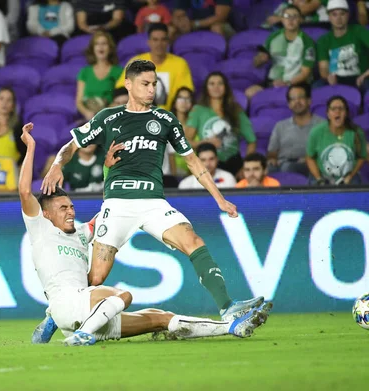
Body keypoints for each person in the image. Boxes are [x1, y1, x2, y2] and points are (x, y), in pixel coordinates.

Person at [36, 60, 267, 344]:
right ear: (129, 85)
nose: (151, 89)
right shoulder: (108, 118)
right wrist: (57, 164)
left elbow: (192, 160)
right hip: (118, 205)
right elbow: (72, 145)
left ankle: (227, 307)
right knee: (96, 278)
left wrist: (220, 198)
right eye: (145, 83)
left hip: (154, 202)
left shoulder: (166, 120)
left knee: (193, 241)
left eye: (154, 83)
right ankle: (53, 315)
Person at [185, 72, 257, 177]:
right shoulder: (198, 110)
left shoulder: (236, 110)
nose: (216, 87)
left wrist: (245, 167)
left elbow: (252, 141)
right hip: (207, 163)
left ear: (226, 87)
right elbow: (185, 142)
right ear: (206, 88)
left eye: (220, 83)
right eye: (212, 84)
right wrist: (205, 142)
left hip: (234, 164)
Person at [116, 23, 194, 112]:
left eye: (163, 40)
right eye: (155, 40)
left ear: (168, 42)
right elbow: (122, 90)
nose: (159, 44)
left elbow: (185, 93)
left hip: (171, 115)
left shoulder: (180, 63)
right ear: (149, 42)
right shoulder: (136, 62)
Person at [245, 4, 316, 99]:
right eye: (287, 16)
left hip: (297, 84)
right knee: (249, 93)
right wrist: (260, 59)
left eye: (294, 16)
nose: (290, 20)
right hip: (273, 81)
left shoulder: (307, 42)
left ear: (300, 20)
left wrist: (287, 83)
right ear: (282, 19)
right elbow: (256, 63)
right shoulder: (273, 37)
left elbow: (305, 73)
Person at [306, 95, 367, 185]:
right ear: (328, 114)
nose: (337, 112)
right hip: (323, 176)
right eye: (333, 109)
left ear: (346, 113)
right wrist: (319, 179)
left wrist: (350, 176)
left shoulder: (357, 132)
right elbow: (309, 157)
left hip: (348, 175)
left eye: (341, 109)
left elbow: (362, 157)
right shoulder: (316, 132)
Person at [267, 83, 324, 176]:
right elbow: (272, 152)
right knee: (266, 170)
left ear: (309, 101)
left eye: (301, 97)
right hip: (282, 163)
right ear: (289, 104)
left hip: (309, 165)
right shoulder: (280, 126)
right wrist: (272, 159)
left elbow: (326, 152)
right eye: (293, 99)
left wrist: (309, 158)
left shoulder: (322, 125)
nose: (297, 101)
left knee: (288, 168)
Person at [316, 0, 369, 94]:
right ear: (329, 17)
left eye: (342, 14)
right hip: (336, 78)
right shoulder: (323, 40)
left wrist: (366, 74)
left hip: (360, 78)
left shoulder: (359, 31)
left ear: (348, 15)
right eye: (334, 14)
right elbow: (323, 67)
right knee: (318, 87)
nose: (338, 18)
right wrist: (328, 76)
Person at [76, 32, 123, 121]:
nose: (100, 47)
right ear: (93, 48)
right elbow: (79, 102)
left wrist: (103, 114)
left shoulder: (119, 72)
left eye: (104, 44)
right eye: (97, 44)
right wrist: (87, 113)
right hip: (88, 117)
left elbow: (121, 100)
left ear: (110, 48)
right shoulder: (85, 72)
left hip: (110, 116)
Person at [0, 87, 26, 163]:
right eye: (1, 99)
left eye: (9, 100)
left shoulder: (18, 129)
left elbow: (25, 155)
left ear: (13, 106)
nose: (4, 103)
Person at [167, 86, 195, 177]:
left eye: (188, 98)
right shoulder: (167, 124)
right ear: (174, 102)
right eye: (180, 98)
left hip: (195, 172)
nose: (184, 102)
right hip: (173, 173)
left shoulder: (196, 125)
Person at [263, 0, 328, 27]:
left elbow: (306, 9)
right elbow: (271, 20)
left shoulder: (318, 4)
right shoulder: (286, 4)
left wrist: (283, 18)